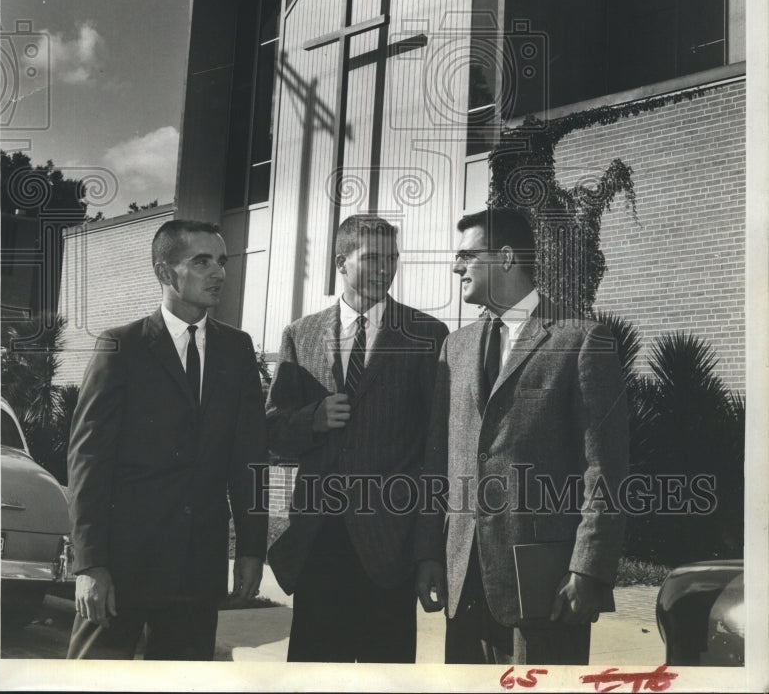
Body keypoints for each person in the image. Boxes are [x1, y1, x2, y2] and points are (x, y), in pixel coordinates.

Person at [415, 207, 629, 665]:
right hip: (463, 580)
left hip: (546, 586)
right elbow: (440, 460)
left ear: (507, 258)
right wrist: (429, 552)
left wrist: (588, 568)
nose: (456, 268)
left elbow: (605, 470)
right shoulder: (456, 347)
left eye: (466, 256)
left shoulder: (581, 341)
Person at [66, 219, 268, 660]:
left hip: (196, 572)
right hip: (121, 568)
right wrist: (91, 563)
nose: (218, 273)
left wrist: (253, 548)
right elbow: (88, 462)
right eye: (201, 262)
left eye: (221, 261)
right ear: (165, 272)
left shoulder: (236, 350)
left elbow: (248, 457)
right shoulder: (121, 347)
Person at [265, 213, 448, 662]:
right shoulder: (300, 333)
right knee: (313, 677)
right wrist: (312, 419)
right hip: (317, 543)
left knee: (386, 678)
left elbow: (437, 452)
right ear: (340, 263)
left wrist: (427, 550)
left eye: (393, 258)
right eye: (372, 258)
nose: (385, 268)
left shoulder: (427, 335)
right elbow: (271, 432)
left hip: (391, 545)